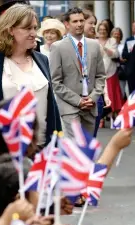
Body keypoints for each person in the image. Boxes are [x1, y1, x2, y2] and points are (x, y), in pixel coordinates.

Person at [0, 3, 62, 147]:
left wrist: (56, 144)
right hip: (5, 152)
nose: (34, 33)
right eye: (27, 28)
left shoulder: (42, 60)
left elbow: (52, 107)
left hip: (42, 148)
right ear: (10, 29)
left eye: (35, 28)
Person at [50, 7, 106, 139]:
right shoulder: (58, 47)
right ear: (67, 24)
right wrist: (78, 101)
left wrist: (93, 97)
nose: (79, 24)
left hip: (90, 106)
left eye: (82, 20)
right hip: (70, 107)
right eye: (75, 21)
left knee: (88, 149)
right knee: (75, 148)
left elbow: (100, 76)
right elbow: (55, 82)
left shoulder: (94, 45)